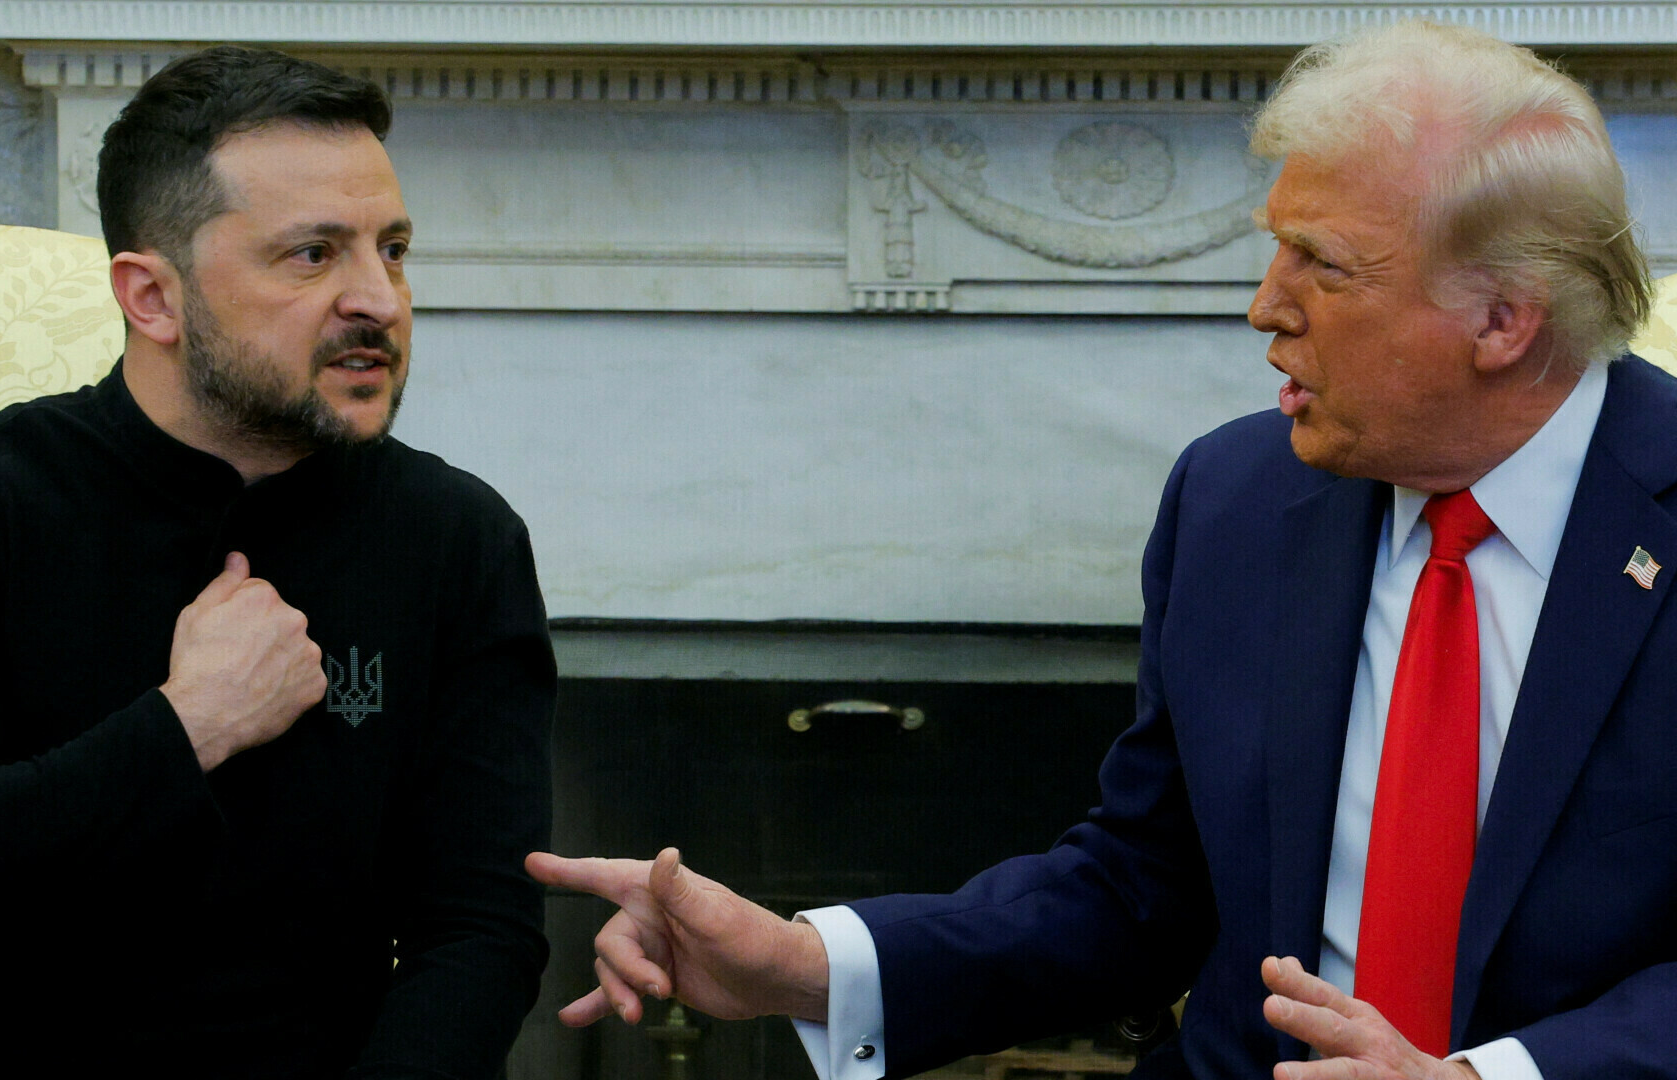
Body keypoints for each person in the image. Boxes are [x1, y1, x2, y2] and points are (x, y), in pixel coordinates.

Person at [529, 20, 1672, 1080]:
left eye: (1322, 265)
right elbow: (1140, 888)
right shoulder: (1236, 502)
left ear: (1501, 319)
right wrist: (804, 965)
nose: (1266, 306)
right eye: (1274, 250)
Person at [0, 47, 554, 1078]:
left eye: (393, 250)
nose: (379, 300)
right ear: (153, 297)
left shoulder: (461, 540)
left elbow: (480, 930)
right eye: (313, 255)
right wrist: (186, 725)